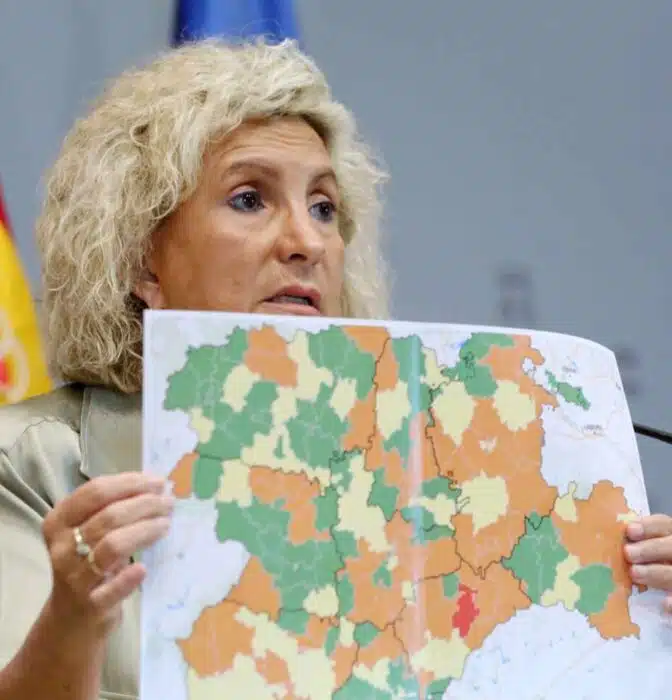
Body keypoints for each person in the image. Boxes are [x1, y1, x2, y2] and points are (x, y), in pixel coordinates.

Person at [0, 38, 669, 700]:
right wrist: (73, 618)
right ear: (142, 257)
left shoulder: (429, 467)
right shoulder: (34, 463)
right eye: (249, 199)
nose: (307, 242)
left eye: (323, 208)